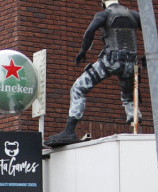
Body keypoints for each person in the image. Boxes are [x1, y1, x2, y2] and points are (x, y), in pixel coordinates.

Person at [46, 0, 142, 147]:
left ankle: (70, 130)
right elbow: (151, 33)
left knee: (78, 88)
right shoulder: (134, 15)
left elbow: (90, 31)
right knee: (129, 98)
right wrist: (148, 56)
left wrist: (83, 51)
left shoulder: (104, 14)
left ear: (103, 2)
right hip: (131, 65)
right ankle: (136, 127)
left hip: (110, 62)